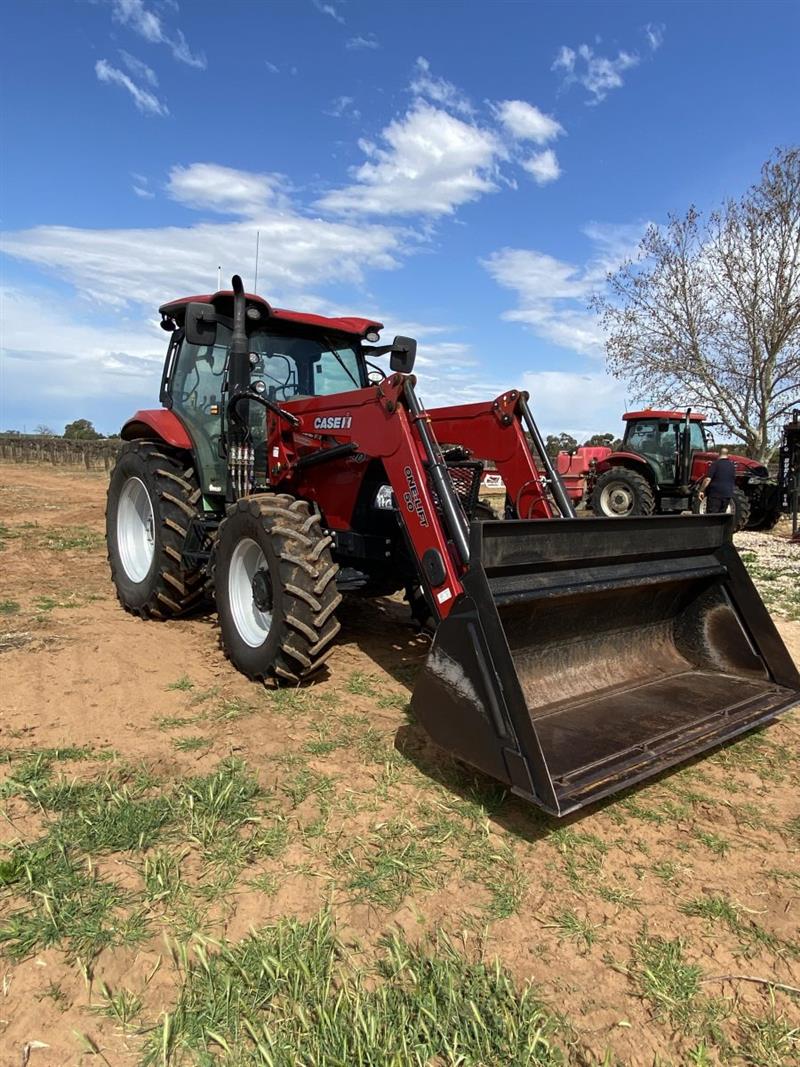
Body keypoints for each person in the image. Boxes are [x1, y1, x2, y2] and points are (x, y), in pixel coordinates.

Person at [698, 447, 736, 513]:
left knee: (712, 516)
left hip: (715, 495)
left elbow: (707, 479)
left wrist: (701, 490)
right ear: (727, 454)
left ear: (719, 454)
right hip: (727, 495)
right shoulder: (732, 466)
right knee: (721, 516)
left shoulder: (715, 464)